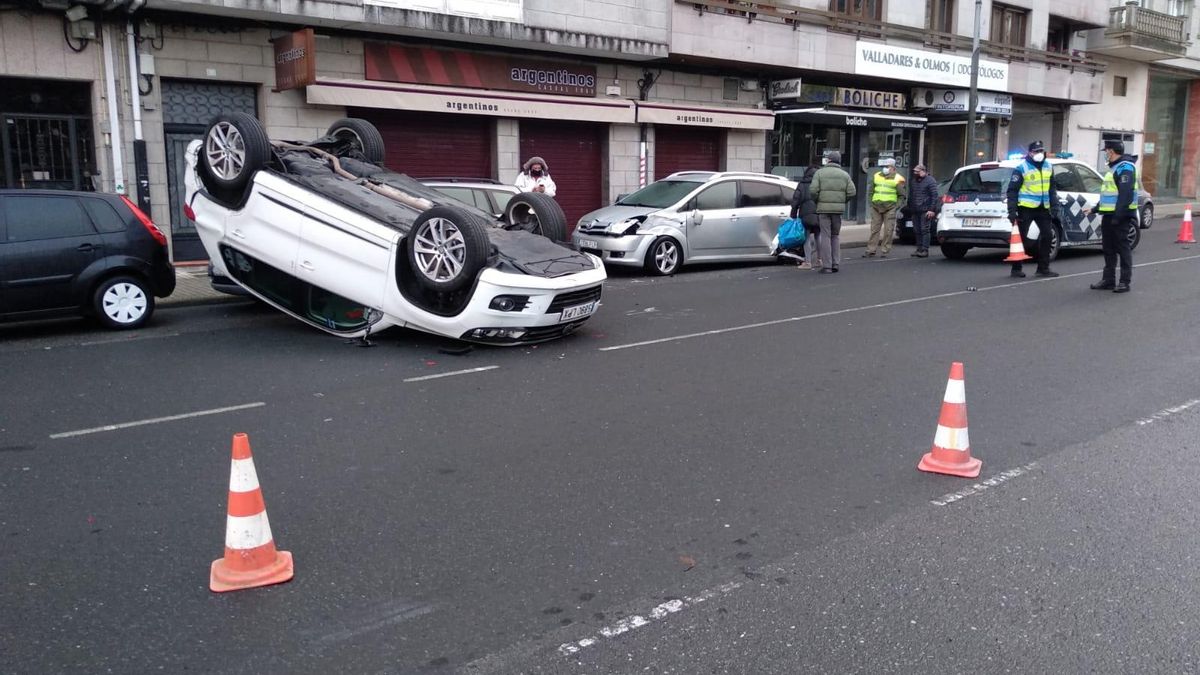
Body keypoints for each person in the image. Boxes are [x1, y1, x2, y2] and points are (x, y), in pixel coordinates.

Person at [1090, 140, 1140, 293]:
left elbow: (1125, 195)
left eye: (1106, 151)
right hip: (1109, 214)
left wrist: (1118, 216)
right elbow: (1108, 194)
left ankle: (1124, 282)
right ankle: (1108, 280)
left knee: (1123, 248)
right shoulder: (1114, 168)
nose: (1106, 154)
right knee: (1108, 248)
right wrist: (1096, 208)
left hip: (1121, 215)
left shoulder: (1125, 168)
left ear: (1111, 151)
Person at [1005, 140, 1059, 278]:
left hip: (1043, 207)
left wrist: (1054, 205)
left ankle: (1043, 268)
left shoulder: (1048, 166)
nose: (1039, 154)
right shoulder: (1021, 168)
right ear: (1030, 153)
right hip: (1026, 208)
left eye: (1041, 151)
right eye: (1036, 151)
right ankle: (1016, 268)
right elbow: (1012, 191)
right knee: (1021, 238)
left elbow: (1052, 188)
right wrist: (1012, 211)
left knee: (1047, 235)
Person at [810, 151, 856, 274]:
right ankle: (836, 263)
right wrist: (842, 201)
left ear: (829, 160)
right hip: (838, 210)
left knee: (826, 236)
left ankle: (827, 266)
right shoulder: (845, 175)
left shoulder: (819, 173)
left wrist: (818, 201)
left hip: (823, 210)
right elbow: (852, 192)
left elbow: (813, 191)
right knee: (835, 236)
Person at [864, 157, 905, 258]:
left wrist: (896, 207)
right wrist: (871, 203)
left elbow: (902, 195)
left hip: (890, 208)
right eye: (884, 166)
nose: (885, 168)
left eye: (888, 166)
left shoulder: (898, 179)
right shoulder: (877, 176)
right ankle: (871, 250)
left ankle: (885, 250)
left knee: (888, 230)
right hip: (876, 207)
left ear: (893, 167)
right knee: (874, 229)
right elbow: (871, 191)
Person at [788, 165, 820, 269]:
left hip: (805, 214)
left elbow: (795, 201)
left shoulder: (802, 185)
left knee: (806, 238)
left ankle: (808, 262)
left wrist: (793, 214)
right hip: (818, 213)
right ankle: (820, 259)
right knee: (818, 236)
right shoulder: (820, 184)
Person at [908, 164, 939, 258]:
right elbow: (912, 194)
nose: (915, 173)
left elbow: (934, 196)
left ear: (923, 171)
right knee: (917, 230)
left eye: (917, 171)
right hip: (915, 210)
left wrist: (931, 209)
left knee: (924, 229)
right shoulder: (914, 181)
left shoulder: (930, 181)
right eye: (915, 172)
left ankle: (925, 250)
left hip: (925, 210)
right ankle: (919, 248)